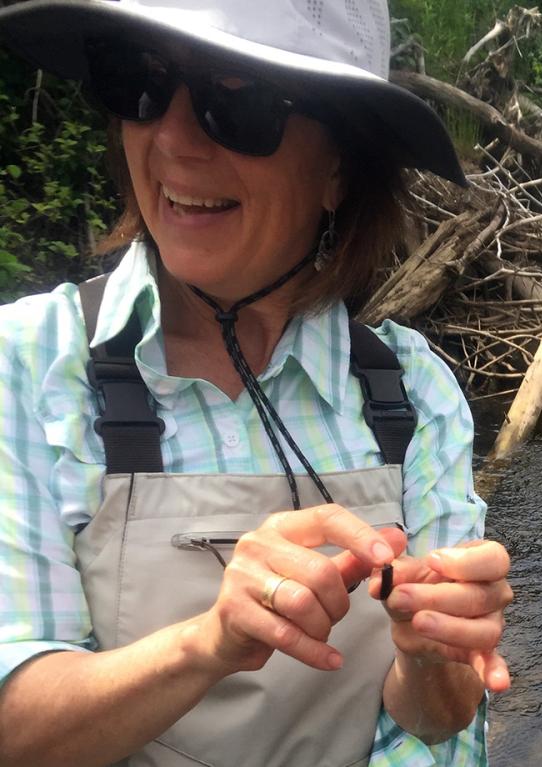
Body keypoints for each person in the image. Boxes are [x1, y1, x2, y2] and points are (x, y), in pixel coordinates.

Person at [0, 1, 512, 766]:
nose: (172, 139)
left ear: (338, 166)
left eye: (234, 101)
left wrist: (434, 652)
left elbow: (441, 723)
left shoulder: (413, 393)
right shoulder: (26, 363)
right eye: (137, 82)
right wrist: (207, 643)